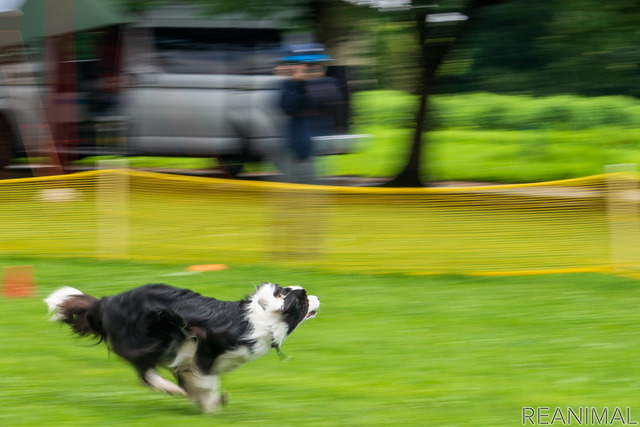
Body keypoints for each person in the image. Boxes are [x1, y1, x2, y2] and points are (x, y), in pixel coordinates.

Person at [274, 44, 341, 183]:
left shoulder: (325, 84)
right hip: (295, 150)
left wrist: (302, 83)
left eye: (314, 65)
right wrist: (297, 83)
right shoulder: (291, 85)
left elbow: (327, 103)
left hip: (311, 151)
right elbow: (286, 107)